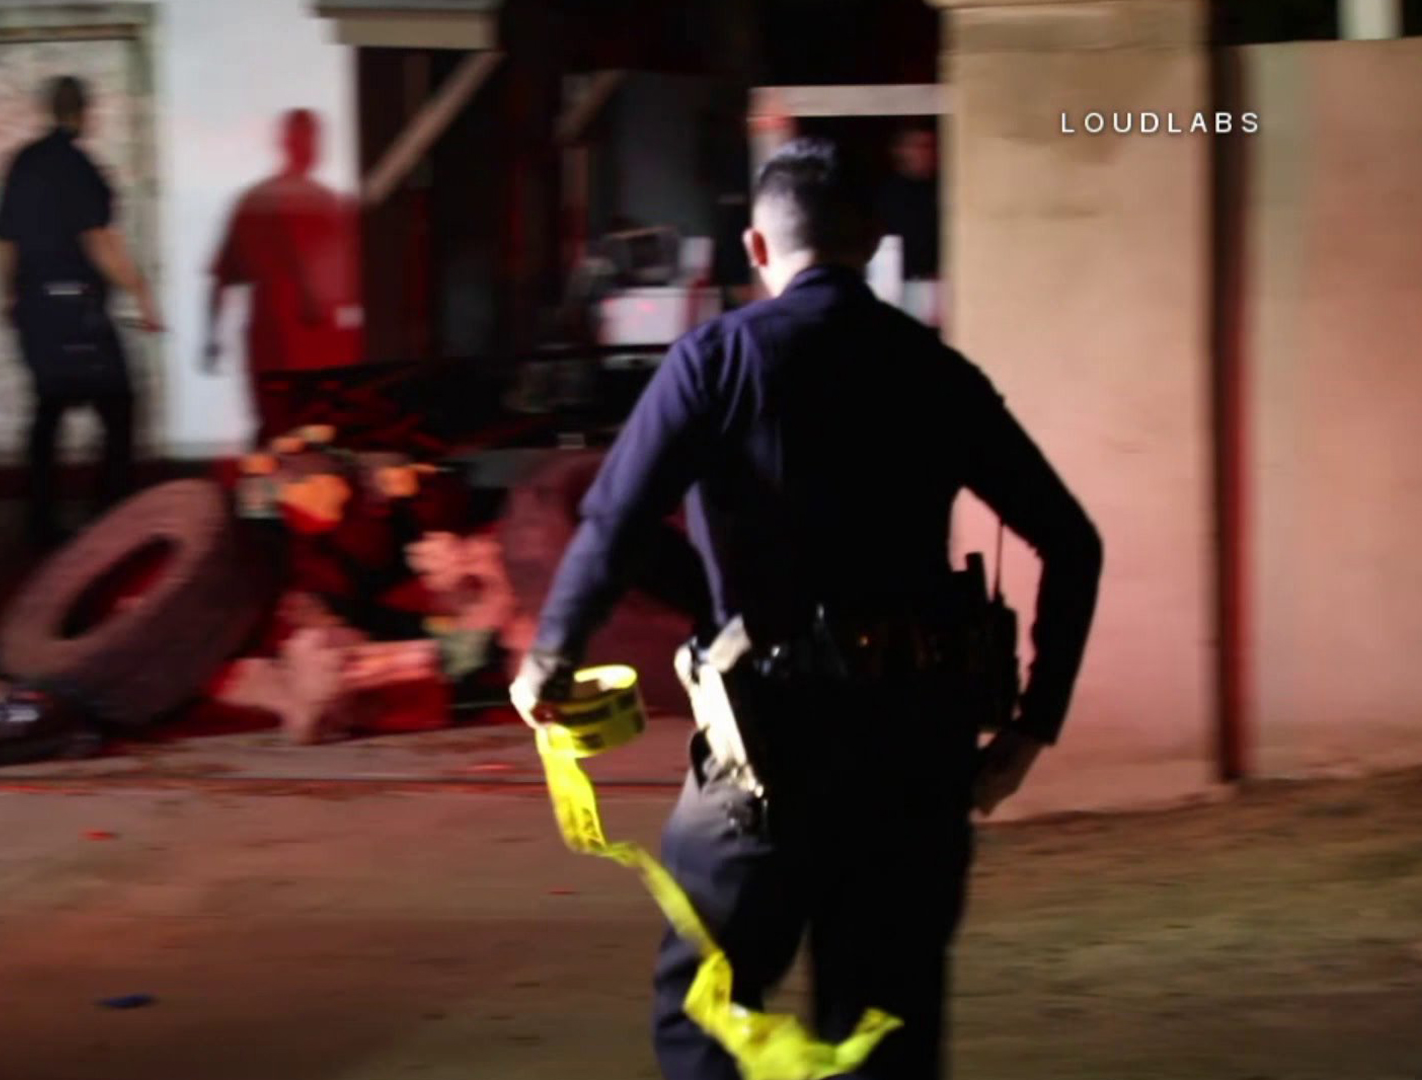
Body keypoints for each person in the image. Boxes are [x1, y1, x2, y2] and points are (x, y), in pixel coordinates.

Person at [510, 137, 1103, 1080]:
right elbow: (1073, 542)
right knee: (882, 1030)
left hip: (763, 770)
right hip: (915, 760)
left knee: (706, 1010)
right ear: (869, 241)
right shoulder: (935, 372)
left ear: (754, 247)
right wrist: (1031, 728)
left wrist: (551, 656)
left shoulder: (714, 362)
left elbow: (614, 519)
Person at [0, 75, 164, 548]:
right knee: (119, 406)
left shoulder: (20, 164)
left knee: (49, 407)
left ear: (49, 110)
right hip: (78, 306)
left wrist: (8, 296)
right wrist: (142, 291)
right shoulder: (83, 169)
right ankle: (108, 514)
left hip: (35, 306)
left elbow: (3, 240)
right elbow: (100, 242)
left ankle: (40, 521)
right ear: (85, 113)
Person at [203, 109, 362, 444]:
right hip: (307, 353)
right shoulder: (328, 205)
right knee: (309, 441)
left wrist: (211, 339)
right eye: (310, 140)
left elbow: (221, 279)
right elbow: (353, 288)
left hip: (284, 350)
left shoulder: (258, 201)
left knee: (277, 436)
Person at [877, 122, 942, 328]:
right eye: (918, 146)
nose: (926, 154)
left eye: (930, 146)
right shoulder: (887, 195)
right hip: (895, 285)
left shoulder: (944, 190)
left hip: (936, 285)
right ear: (900, 151)